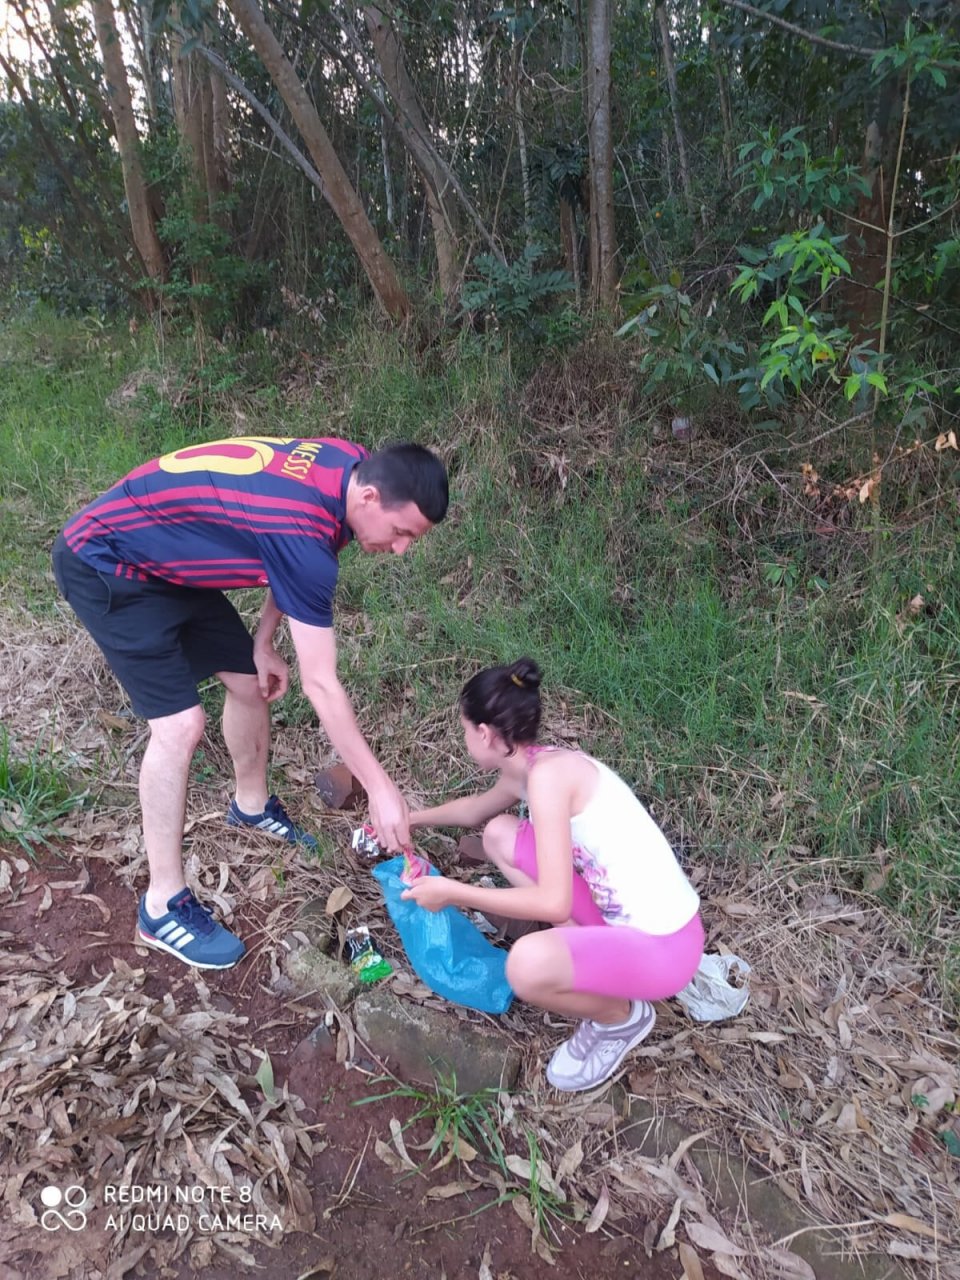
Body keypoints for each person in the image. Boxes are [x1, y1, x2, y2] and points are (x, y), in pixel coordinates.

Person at [53, 435, 448, 971]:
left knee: (249, 680)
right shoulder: (306, 527)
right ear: (372, 498)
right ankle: (161, 905)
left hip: (169, 555)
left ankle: (252, 805)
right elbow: (322, 684)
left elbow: (288, 547)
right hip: (108, 561)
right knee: (179, 727)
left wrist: (263, 643)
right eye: (402, 533)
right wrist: (380, 788)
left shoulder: (345, 464)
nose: (401, 549)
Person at [401, 658, 704, 1092]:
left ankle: (621, 1017)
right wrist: (409, 819)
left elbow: (553, 902)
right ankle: (585, 950)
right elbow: (474, 812)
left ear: (485, 734)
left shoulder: (546, 781)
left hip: (665, 949)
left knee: (523, 967)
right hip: (623, 916)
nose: (466, 738)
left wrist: (452, 892)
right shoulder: (536, 765)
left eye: (466, 729)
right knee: (500, 835)